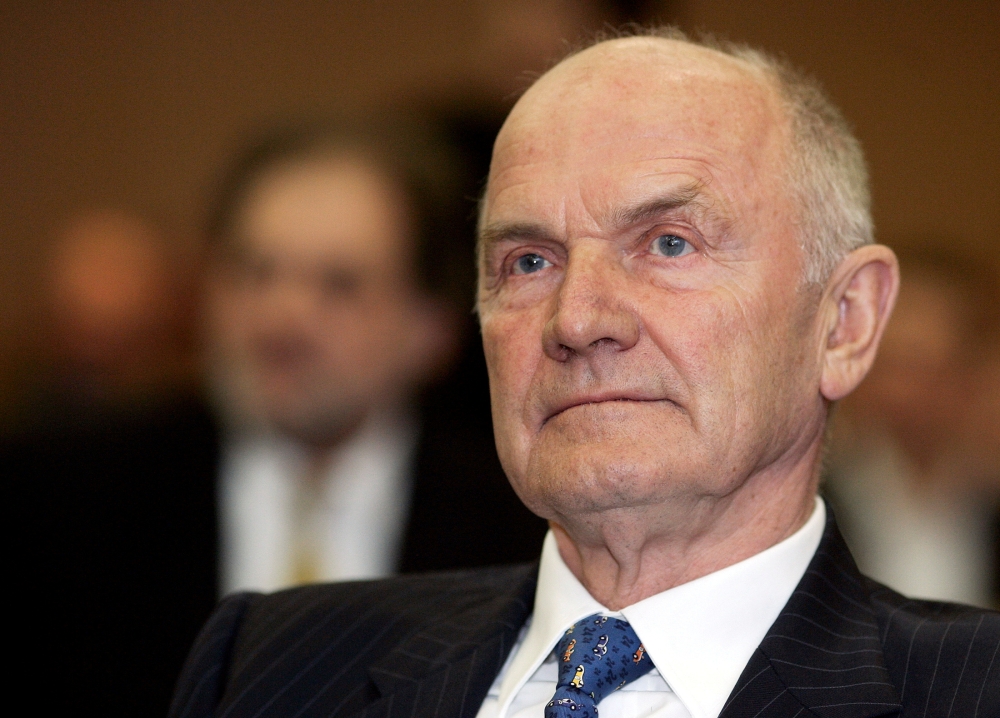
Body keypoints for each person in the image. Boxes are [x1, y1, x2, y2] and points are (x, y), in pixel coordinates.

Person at [170, 29, 999, 718]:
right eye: (529, 261)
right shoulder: (272, 669)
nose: (577, 319)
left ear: (845, 321)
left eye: (670, 244)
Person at [202, 117, 546, 592]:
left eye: (339, 285)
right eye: (256, 272)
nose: (281, 318)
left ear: (431, 328)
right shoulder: (86, 500)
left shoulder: (520, 536)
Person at [825, 245, 1000, 607]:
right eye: (895, 366)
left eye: (933, 367)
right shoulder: (814, 502)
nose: (909, 394)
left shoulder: (986, 501)